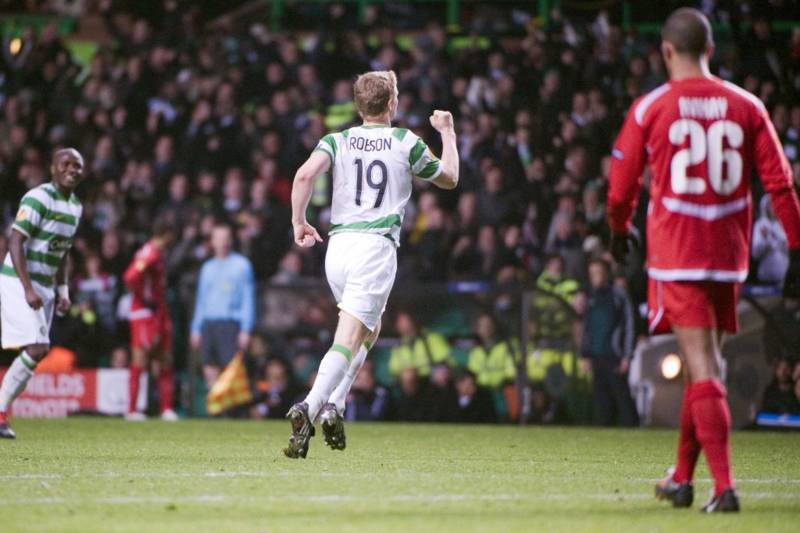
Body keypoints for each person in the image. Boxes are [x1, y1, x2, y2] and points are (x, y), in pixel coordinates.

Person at [607, 8, 800, 512]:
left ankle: (725, 488)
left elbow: (620, 190)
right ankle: (682, 478)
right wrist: (797, 248)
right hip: (728, 257)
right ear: (710, 50)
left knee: (704, 364)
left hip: (679, 254)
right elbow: (781, 184)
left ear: (667, 50)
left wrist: (616, 231)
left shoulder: (652, 107)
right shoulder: (748, 105)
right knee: (700, 368)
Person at [283, 70, 459, 458]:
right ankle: (310, 406)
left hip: (338, 248)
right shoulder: (404, 141)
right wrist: (447, 132)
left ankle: (337, 403)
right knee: (347, 338)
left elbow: (303, 175)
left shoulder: (337, 140)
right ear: (392, 104)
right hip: (374, 249)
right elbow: (449, 178)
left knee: (370, 328)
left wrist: (299, 221)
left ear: (358, 105)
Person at [0, 148, 85, 439]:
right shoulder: (38, 198)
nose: (72, 169)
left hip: (45, 285)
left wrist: (63, 290)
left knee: (35, 352)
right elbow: (15, 242)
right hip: (18, 280)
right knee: (37, 348)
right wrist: (26, 287)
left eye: (78, 166)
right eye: (66, 164)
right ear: (53, 168)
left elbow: (62, 252)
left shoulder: (75, 206)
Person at [123, 217, 178, 421]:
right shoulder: (150, 253)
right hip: (145, 314)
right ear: (167, 234)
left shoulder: (158, 253)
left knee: (164, 358)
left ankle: (166, 409)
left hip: (158, 313)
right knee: (141, 359)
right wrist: (144, 300)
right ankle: (131, 410)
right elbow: (130, 277)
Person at [190, 224, 256, 391]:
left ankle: (230, 411)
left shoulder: (242, 265)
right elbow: (201, 299)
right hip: (209, 323)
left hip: (230, 324)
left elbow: (248, 298)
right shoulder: (207, 268)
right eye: (218, 238)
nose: (223, 242)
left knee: (230, 369)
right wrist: (196, 328)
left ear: (231, 240)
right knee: (208, 366)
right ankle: (216, 409)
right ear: (212, 241)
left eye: (226, 238)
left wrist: (246, 329)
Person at [580, 259, 639, 427]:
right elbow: (587, 328)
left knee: (622, 397)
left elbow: (629, 325)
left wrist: (627, 356)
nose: (595, 277)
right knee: (601, 401)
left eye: (598, 273)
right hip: (596, 355)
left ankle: (633, 431)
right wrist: (585, 354)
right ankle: (603, 438)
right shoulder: (591, 298)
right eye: (592, 274)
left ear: (606, 274)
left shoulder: (618, 295)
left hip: (614, 355)